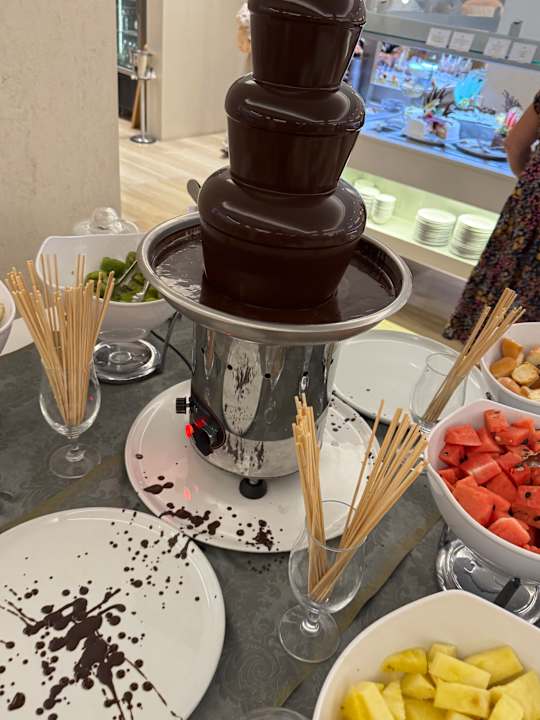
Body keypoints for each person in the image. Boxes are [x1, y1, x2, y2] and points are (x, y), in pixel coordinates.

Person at [444, 92, 540, 342]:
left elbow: (514, 144)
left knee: (503, 282)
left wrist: (530, 184)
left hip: (532, 209)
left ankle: (481, 348)